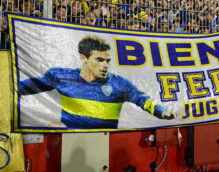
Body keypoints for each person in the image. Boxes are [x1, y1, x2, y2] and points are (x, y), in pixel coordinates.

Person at [19, 35, 174, 129]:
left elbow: (142, 99)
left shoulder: (120, 84)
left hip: (105, 142)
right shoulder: (61, 76)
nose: (105, 65)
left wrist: (160, 111)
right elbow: (23, 88)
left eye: (107, 60)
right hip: (67, 141)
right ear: (83, 58)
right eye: (99, 60)